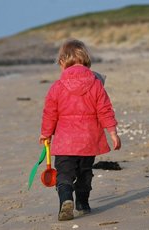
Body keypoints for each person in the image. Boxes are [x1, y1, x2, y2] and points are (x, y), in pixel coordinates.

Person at [39, 39, 121, 221]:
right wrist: (113, 132)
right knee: (85, 173)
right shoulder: (96, 84)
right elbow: (105, 109)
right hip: (88, 141)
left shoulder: (57, 87)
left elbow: (50, 113)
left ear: (62, 62)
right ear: (86, 61)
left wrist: (46, 133)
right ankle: (82, 204)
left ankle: (66, 200)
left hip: (65, 143)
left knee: (64, 175)